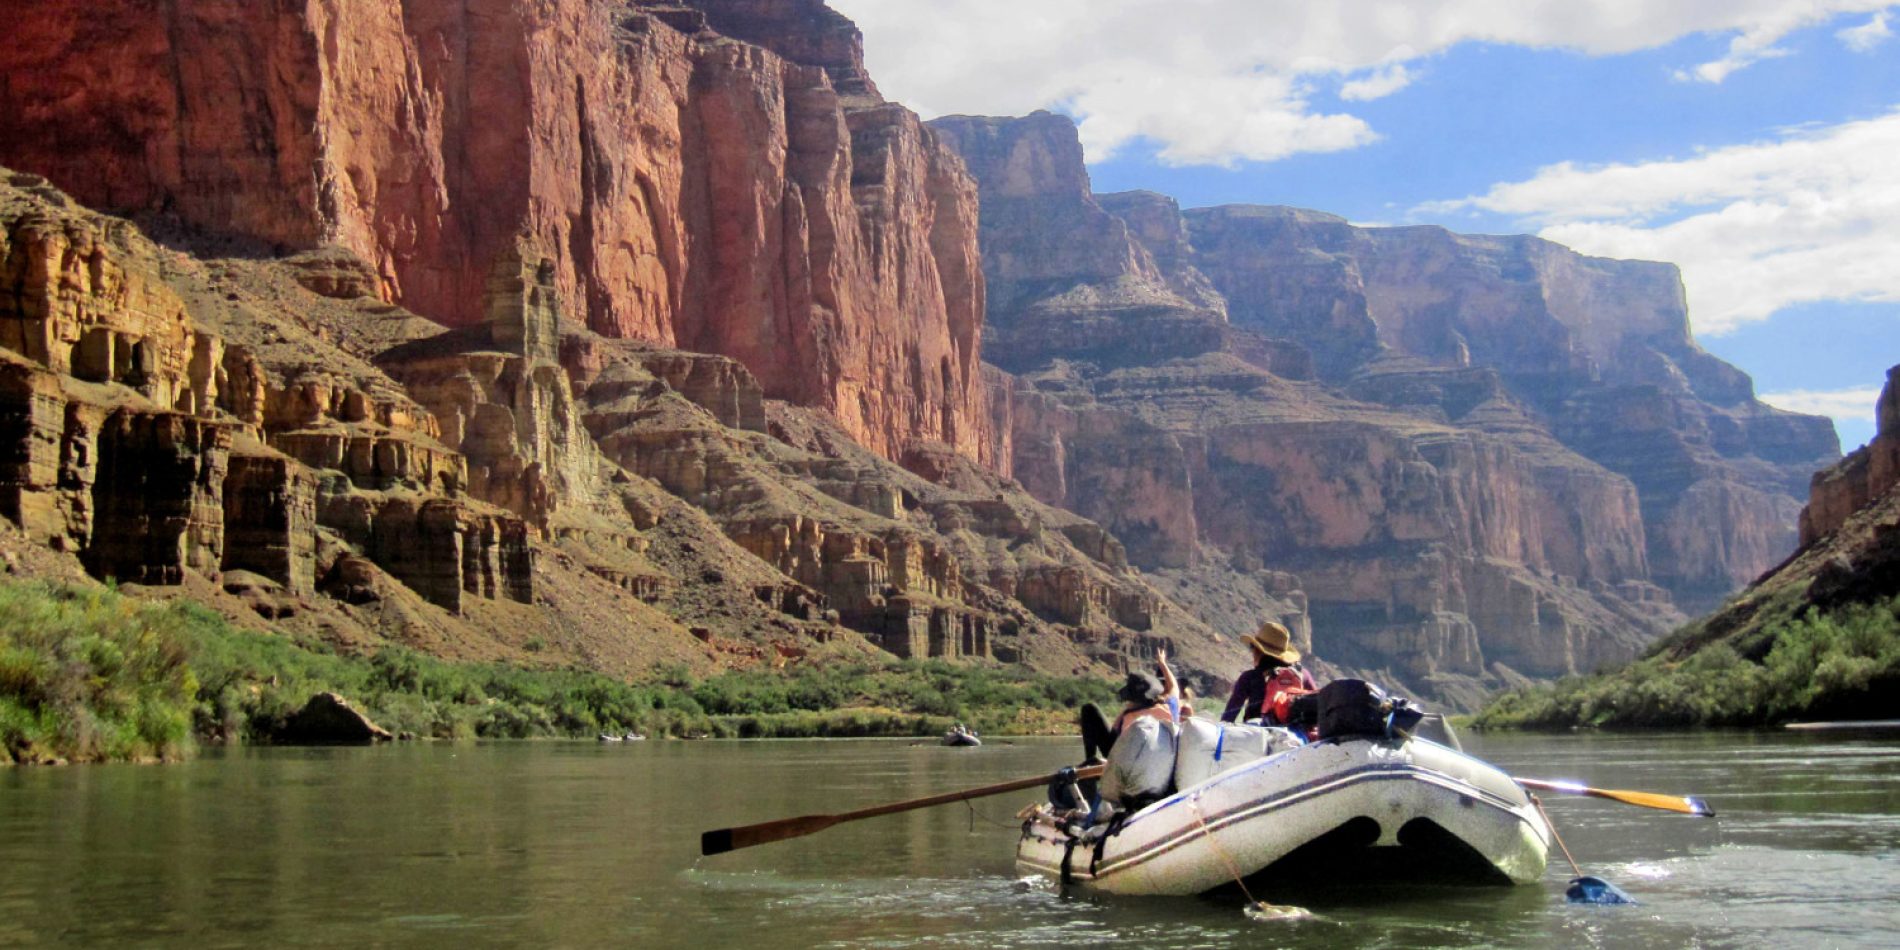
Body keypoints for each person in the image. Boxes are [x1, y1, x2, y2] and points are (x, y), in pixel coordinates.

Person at [1079, 648, 1181, 764]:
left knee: (1089, 708)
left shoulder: (1128, 715)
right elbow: (1174, 686)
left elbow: (1115, 733)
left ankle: (1089, 760)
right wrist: (1162, 663)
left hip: (1125, 757)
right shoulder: (1169, 706)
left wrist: (1126, 710)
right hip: (1160, 757)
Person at [1221, 621, 1317, 725]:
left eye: (1252, 647)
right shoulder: (1303, 675)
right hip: (1294, 738)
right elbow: (1318, 704)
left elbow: (1228, 717)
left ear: (1258, 651)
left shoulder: (1249, 678)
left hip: (1258, 736)